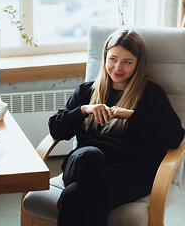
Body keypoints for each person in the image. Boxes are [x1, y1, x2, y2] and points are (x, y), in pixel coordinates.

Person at [49, 28, 185, 226]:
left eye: (127, 62)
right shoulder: (86, 91)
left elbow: (174, 136)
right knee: (90, 155)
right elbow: (56, 128)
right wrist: (84, 110)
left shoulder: (150, 93)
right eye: (113, 59)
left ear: (138, 63)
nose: (117, 67)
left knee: (71, 197)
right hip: (83, 165)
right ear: (105, 57)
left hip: (129, 173)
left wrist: (131, 115)